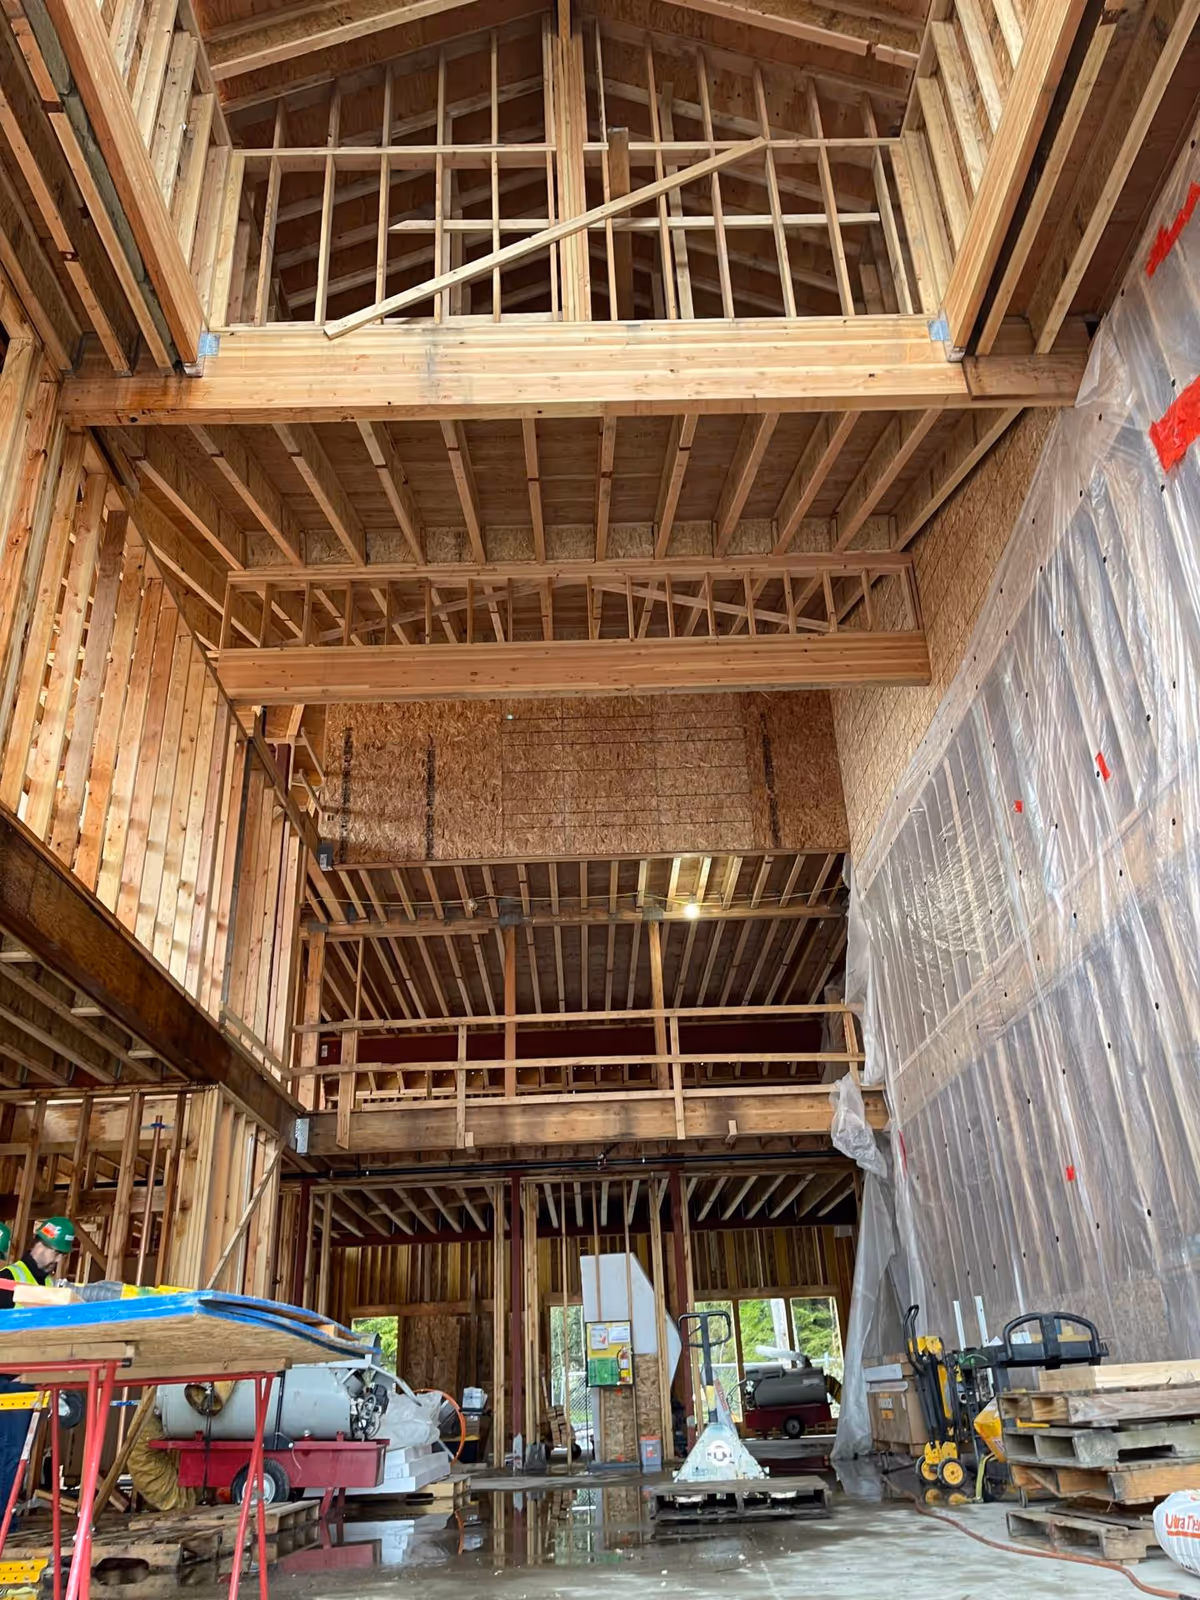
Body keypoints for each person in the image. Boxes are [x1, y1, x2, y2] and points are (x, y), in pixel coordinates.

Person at [0, 1218, 76, 1520]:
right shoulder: (9, 1278)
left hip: (25, 1379)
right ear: (40, 1245)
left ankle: (4, 1518)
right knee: (8, 1454)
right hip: (7, 1380)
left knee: (15, 1455)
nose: (57, 1261)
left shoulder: (47, 1287)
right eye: (55, 1253)